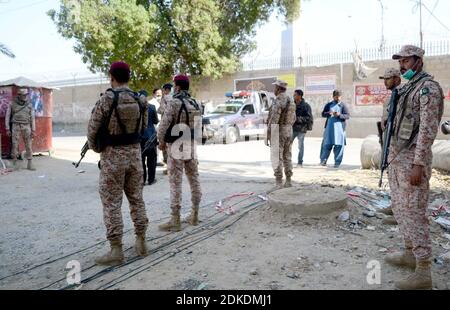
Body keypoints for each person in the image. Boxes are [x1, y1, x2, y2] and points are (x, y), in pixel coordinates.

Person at [384, 45, 444, 290]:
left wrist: (418, 163)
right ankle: (409, 253)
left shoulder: (428, 88)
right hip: (397, 160)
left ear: (418, 61)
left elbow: (427, 131)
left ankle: (423, 271)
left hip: (412, 163)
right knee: (400, 208)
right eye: (400, 61)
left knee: (414, 213)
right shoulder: (406, 87)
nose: (402, 66)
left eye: (406, 61)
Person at [87, 61, 149, 266]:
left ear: (111, 76)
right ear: (129, 77)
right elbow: (144, 126)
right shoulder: (140, 100)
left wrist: (97, 149)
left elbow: (92, 130)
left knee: (112, 203)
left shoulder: (107, 99)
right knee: (136, 199)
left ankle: (116, 250)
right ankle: (141, 242)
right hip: (135, 156)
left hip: (113, 158)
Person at [157, 74, 202, 232]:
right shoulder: (195, 103)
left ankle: (175, 220)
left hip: (176, 145)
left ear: (177, 86)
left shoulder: (174, 102)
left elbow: (163, 125)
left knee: (175, 182)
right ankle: (195, 215)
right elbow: (198, 128)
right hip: (190, 144)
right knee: (193, 179)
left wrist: (160, 142)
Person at [377, 68, 402, 226]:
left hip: (399, 144)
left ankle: (400, 213)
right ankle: (395, 206)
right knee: (392, 177)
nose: (385, 81)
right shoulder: (393, 96)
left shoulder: (401, 95)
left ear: (397, 79)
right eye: (384, 78)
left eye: (388, 78)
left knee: (399, 179)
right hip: (389, 141)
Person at [266, 80, 296, 190]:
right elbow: (294, 118)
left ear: (278, 88)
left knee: (276, 157)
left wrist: (269, 134)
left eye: (275, 88)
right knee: (287, 156)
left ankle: (278, 182)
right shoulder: (291, 99)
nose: (274, 90)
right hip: (289, 130)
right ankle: (288, 181)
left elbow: (274, 118)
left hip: (278, 130)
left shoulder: (279, 99)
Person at [5, 88, 36, 171]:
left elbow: (33, 118)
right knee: (15, 144)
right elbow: (7, 116)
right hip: (16, 125)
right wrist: (7, 128)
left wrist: (33, 130)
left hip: (26, 126)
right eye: (23, 95)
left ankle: (30, 163)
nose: (25, 96)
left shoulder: (29, 104)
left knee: (28, 145)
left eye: (26, 95)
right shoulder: (12, 103)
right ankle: (14, 162)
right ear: (19, 95)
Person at [319, 90, 350, 168]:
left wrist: (339, 115)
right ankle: (323, 161)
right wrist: (328, 114)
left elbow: (347, 116)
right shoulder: (329, 105)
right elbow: (323, 114)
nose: (338, 98)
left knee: (339, 146)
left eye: (339, 96)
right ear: (333, 97)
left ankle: (337, 163)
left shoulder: (343, 105)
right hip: (329, 129)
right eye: (336, 96)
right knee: (326, 145)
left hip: (340, 130)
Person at [140, 90, 159, 186]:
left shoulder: (137, 108)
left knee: (141, 159)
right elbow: (155, 121)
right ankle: (151, 180)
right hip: (151, 136)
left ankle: (142, 180)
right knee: (152, 159)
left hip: (140, 137)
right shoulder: (152, 107)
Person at [292, 89, 313, 168]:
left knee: (300, 146)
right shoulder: (291, 105)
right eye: (293, 95)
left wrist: (297, 119)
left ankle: (300, 162)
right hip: (292, 128)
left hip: (301, 129)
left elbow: (309, 118)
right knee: (287, 145)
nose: (293, 96)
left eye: (295, 95)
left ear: (299, 96)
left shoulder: (306, 106)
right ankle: (287, 161)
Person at [157, 83, 173, 171]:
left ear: (165, 90)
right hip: (175, 125)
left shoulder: (165, 98)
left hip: (166, 124)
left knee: (164, 145)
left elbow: (161, 110)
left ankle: (168, 167)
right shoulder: (175, 97)